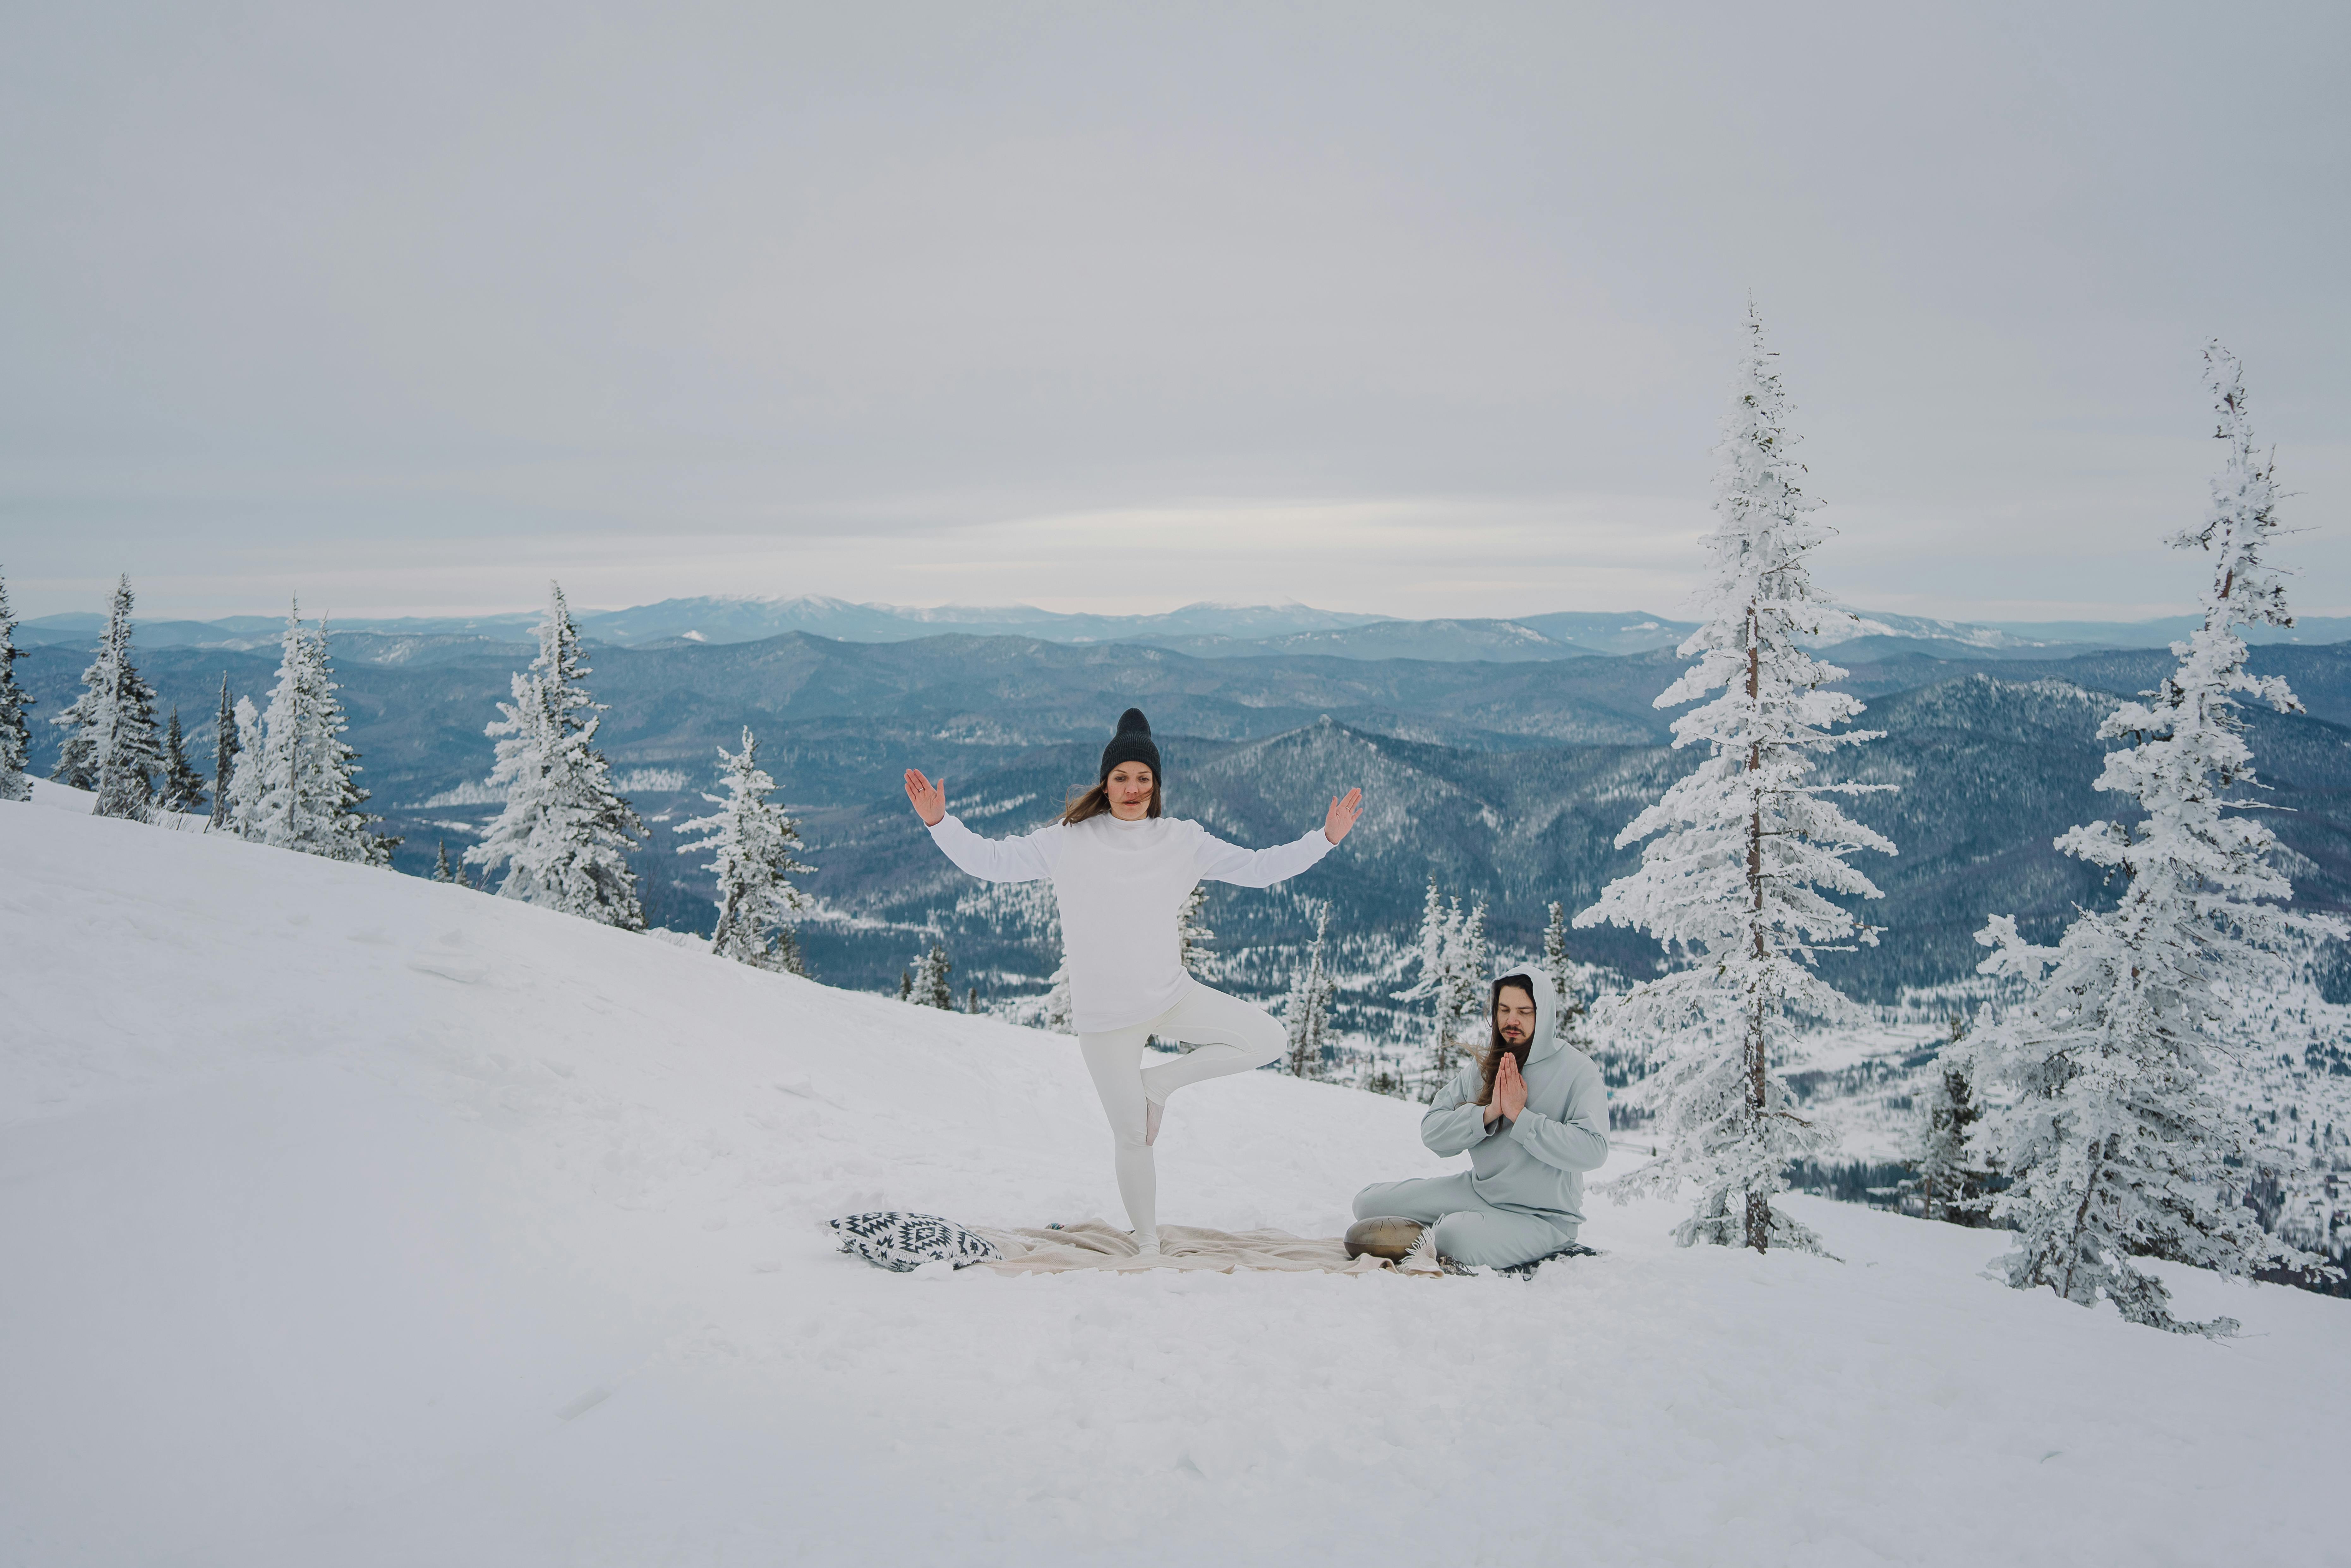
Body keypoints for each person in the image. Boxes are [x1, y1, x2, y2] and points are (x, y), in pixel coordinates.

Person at [905, 707, 1363, 1255]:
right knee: (1132, 1136)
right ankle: (1146, 1245)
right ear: (1106, 783)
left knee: (1268, 1039)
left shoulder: (1181, 840)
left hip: (1170, 996)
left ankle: (1159, 1085)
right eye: (1121, 777)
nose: (1131, 788)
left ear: (1156, 785)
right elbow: (991, 861)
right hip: (1105, 1021)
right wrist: (940, 824)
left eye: (1142, 778)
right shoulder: (1069, 840)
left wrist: (1326, 840)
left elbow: (1259, 868)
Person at [1351, 964, 1607, 1267]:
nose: (1512, 1020)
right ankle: (1472, 1224)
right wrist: (1488, 1113)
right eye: (1504, 1009)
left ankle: (1471, 1229)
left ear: (1545, 1014)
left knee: (1449, 1238)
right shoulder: (1485, 1067)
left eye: (1525, 1011)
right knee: (1367, 1204)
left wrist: (1521, 1118)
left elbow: (1594, 1150)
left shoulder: (1577, 1070)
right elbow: (1433, 1131)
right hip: (1478, 1190)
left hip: (1542, 1217)